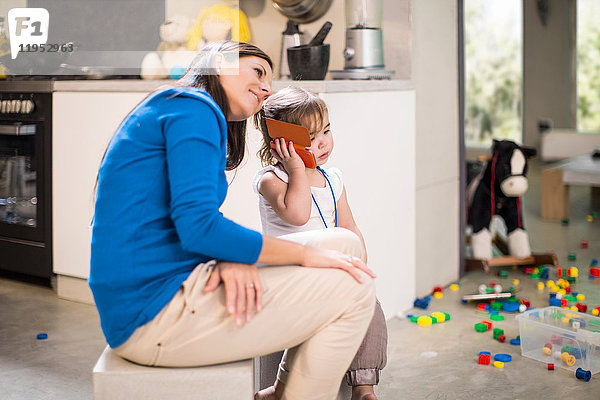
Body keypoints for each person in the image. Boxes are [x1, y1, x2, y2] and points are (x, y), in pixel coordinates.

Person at [89, 41, 376, 400]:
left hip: (164, 290)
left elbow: (189, 221)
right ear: (220, 64)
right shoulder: (195, 109)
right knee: (358, 287)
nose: (267, 87)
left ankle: (280, 393)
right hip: (153, 314)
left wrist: (226, 254)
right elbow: (199, 228)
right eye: (258, 71)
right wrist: (301, 257)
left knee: (345, 246)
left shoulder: (181, 107)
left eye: (269, 79)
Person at [252, 87, 387, 400]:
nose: (323, 142)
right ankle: (279, 387)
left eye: (327, 130)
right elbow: (298, 215)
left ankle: (363, 385)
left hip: (326, 271)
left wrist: (359, 259)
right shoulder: (271, 179)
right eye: (311, 137)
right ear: (281, 143)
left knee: (369, 301)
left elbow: (348, 225)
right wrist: (297, 168)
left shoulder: (332, 178)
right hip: (288, 274)